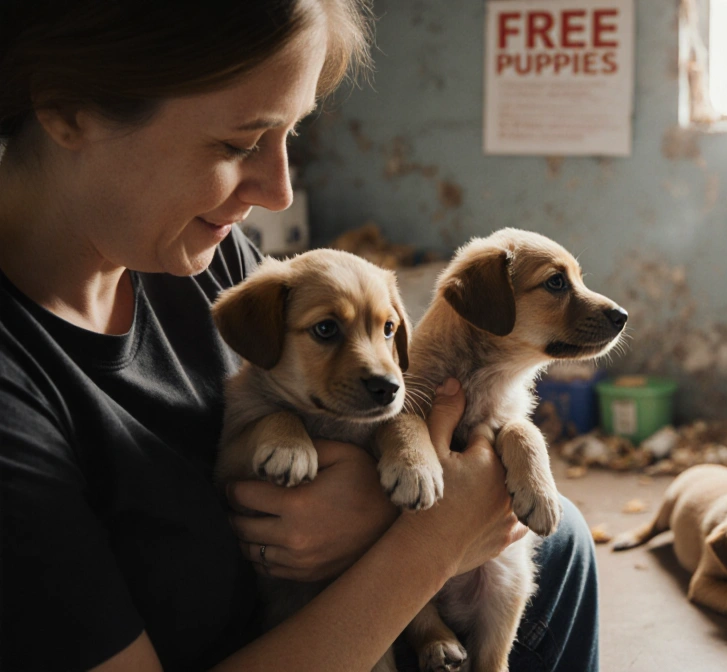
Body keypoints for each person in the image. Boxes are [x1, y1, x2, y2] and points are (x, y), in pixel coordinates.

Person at [0, 1, 599, 670]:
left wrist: (383, 509)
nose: (279, 191)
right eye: (238, 143)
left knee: (563, 540)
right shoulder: (17, 399)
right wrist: (427, 547)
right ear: (69, 110)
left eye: (292, 135)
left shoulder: (203, 258)